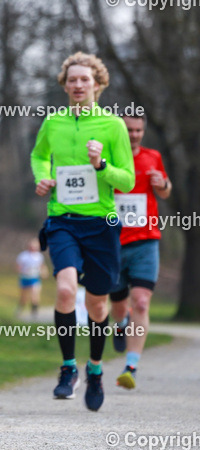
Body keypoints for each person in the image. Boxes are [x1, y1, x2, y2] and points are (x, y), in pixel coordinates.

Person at [29, 52, 133, 411]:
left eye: (84, 80)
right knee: (65, 288)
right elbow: (39, 155)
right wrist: (42, 176)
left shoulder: (113, 126)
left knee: (97, 304)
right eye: (71, 80)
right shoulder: (53, 123)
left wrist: (101, 165)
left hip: (101, 223)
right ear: (65, 85)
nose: (77, 85)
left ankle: (96, 368)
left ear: (98, 85)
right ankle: (68, 368)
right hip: (63, 219)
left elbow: (127, 178)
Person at [109, 112, 172, 389]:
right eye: (129, 129)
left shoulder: (153, 156)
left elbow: (165, 191)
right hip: (112, 241)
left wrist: (164, 184)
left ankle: (131, 367)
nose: (134, 134)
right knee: (118, 303)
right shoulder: (108, 156)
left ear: (142, 132)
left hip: (146, 240)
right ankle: (121, 323)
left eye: (138, 130)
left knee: (142, 302)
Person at [15, 238, 46, 317]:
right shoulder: (23, 255)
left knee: (35, 295)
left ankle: (34, 312)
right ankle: (20, 310)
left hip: (34, 277)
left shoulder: (39, 256)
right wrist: (22, 271)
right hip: (25, 277)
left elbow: (42, 266)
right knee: (24, 297)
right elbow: (18, 267)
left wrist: (44, 272)